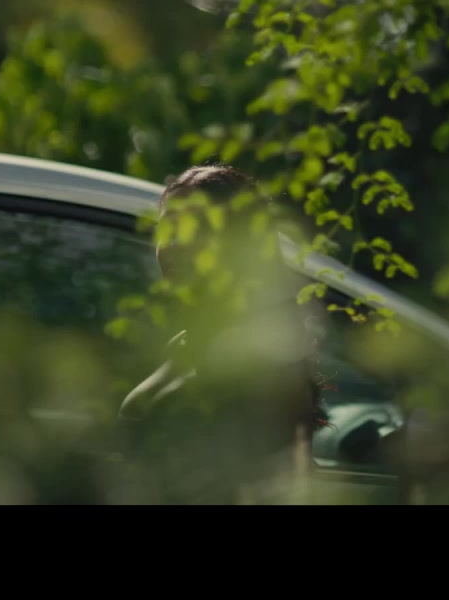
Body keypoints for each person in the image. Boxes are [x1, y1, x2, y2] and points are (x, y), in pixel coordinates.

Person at [118, 164, 329, 503]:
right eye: (168, 228)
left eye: (197, 228)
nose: (174, 244)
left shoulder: (264, 357)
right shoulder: (185, 343)